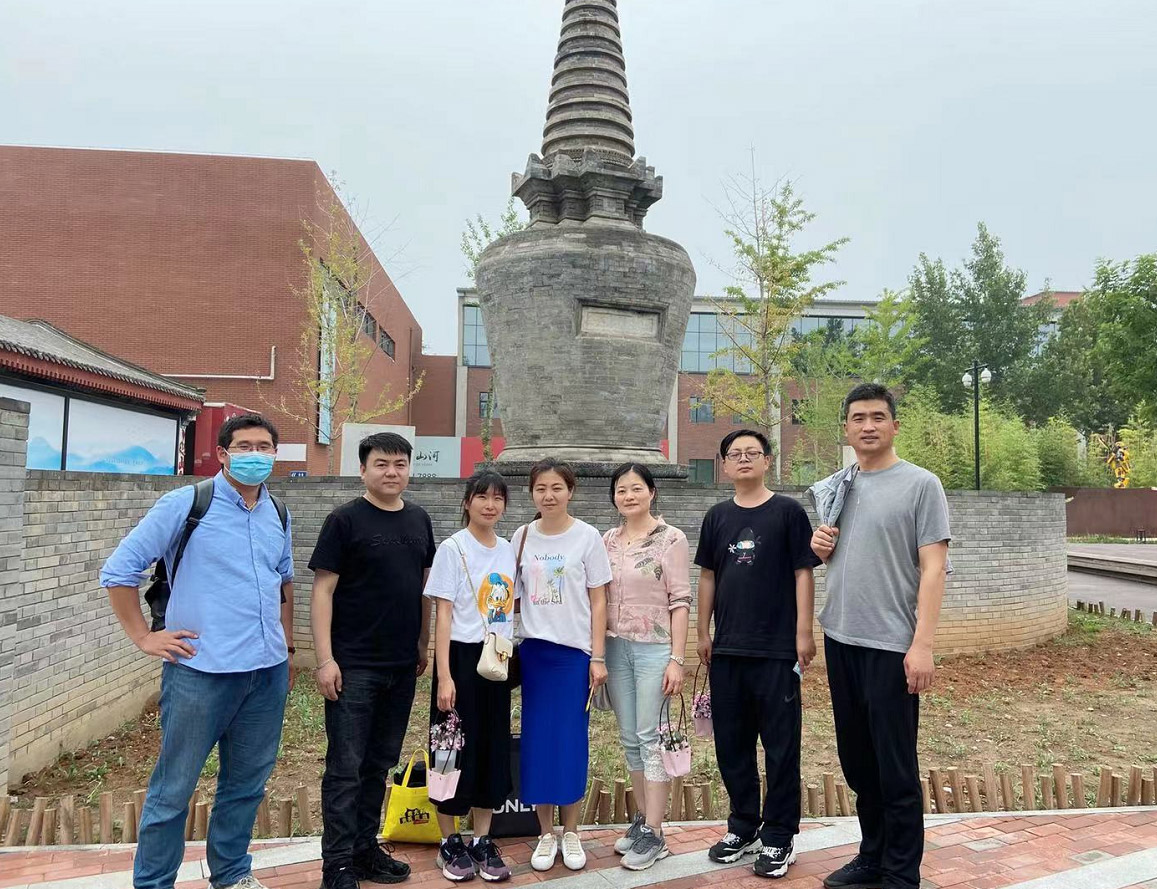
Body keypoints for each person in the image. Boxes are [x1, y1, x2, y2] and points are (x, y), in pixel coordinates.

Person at [101, 413, 294, 889]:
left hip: (265, 673)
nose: (255, 455)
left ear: (275, 454)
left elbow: (283, 582)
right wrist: (143, 636)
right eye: (244, 447)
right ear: (223, 454)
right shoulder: (187, 504)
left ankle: (231, 875)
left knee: (246, 786)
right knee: (173, 790)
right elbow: (119, 571)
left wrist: (286, 648)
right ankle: (154, 883)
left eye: (264, 447)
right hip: (200, 672)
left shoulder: (278, 512)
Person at [810, 384, 950, 889]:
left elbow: (934, 568)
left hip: (891, 644)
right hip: (841, 637)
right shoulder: (839, 486)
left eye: (877, 416)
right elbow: (832, 555)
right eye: (858, 418)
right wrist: (819, 546)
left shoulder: (921, 485)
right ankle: (872, 856)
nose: (867, 426)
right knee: (857, 760)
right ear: (846, 429)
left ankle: (900, 873)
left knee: (895, 765)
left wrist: (923, 644)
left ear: (894, 425)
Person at [310, 433, 436, 889]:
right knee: (345, 769)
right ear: (363, 469)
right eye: (382, 464)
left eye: (400, 464)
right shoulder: (344, 520)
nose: (391, 472)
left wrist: (423, 641)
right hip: (354, 667)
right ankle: (337, 866)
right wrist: (325, 659)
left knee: (379, 764)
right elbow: (322, 591)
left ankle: (364, 851)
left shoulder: (419, 519)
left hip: (401, 667)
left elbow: (424, 586)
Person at [695, 429, 821, 880]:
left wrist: (803, 632)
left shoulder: (788, 512)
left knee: (781, 747)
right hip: (727, 649)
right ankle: (743, 827)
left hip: (776, 651)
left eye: (753, 452)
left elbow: (803, 572)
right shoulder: (717, 517)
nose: (744, 459)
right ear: (725, 465)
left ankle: (779, 835)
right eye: (735, 454)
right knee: (732, 745)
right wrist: (702, 631)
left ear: (767, 460)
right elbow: (708, 576)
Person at [512, 459, 613, 873]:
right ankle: (544, 833)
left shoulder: (587, 537)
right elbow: (511, 597)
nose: (549, 495)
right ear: (532, 493)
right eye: (541, 488)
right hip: (535, 654)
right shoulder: (521, 537)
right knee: (537, 742)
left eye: (557, 487)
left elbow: (599, 600)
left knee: (571, 741)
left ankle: (571, 832)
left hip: (574, 657)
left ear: (571, 491)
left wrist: (597, 656)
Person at [425, 470, 517, 883]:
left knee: (491, 746)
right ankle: (449, 841)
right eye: (482, 497)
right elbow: (443, 616)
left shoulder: (509, 549)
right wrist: (445, 676)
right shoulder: (453, 548)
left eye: (498, 498)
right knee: (450, 749)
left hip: (496, 659)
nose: (490, 505)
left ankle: (482, 839)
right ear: (467, 502)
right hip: (461, 659)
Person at [601, 463, 691, 871]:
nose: (629, 496)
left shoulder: (671, 538)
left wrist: (677, 658)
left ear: (652, 492)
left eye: (636, 488)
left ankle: (656, 833)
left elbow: (680, 600)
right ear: (614, 497)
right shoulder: (606, 540)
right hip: (615, 647)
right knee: (629, 738)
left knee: (651, 736)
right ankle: (643, 819)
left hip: (655, 649)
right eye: (622, 490)